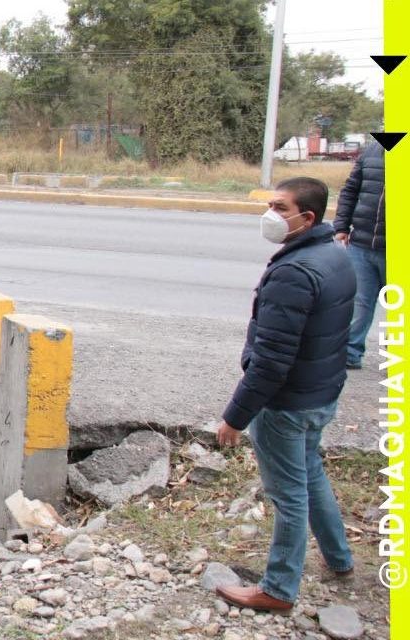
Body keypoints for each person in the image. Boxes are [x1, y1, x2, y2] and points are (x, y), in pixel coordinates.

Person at [214, 177, 357, 612]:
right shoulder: (336, 255)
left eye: (280, 207)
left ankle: (277, 589)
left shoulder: (294, 273)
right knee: (310, 475)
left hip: (287, 404)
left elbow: (272, 362)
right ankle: (339, 559)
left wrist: (235, 417)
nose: (270, 215)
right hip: (320, 395)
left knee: (289, 495)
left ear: (306, 217)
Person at [333, 141, 386, 369]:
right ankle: (350, 353)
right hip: (362, 243)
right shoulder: (374, 150)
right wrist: (342, 227)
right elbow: (350, 190)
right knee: (359, 302)